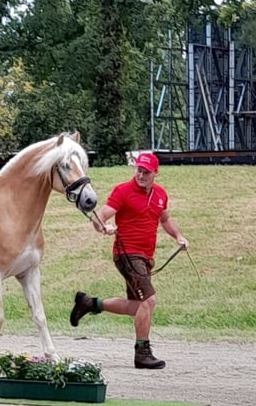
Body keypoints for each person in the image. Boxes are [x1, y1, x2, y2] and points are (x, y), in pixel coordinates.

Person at [70, 152, 188, 369]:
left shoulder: (160, 194)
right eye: (138, 170)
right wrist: (103, 227)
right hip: (127, 253)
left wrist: (178, 237)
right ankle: (142, 353)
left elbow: (165, 219)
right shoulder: (123, 191)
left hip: (145, 257)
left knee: (138, 308)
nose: (141, 175)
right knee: (149, 301)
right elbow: (101, 215)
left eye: (146, 172)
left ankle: (89, 303)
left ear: (155, 173)